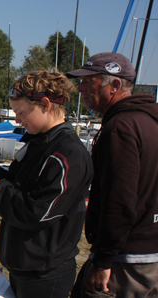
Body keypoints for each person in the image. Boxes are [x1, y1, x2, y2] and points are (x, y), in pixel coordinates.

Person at [0, 69, 93, 298]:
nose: (17, 120)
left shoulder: (68, 154)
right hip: (25, 266)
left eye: (21, 112)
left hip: (45, 275)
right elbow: (20, 186)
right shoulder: (40, 142)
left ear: (45, 104)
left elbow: (37, 212)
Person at [68, 52, 158, 297]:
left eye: (88, 81)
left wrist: (103, 261)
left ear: (115, 85)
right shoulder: (150, 121)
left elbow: (120, 200)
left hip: (126, 261)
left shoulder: (120, 127)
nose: (80, 88)